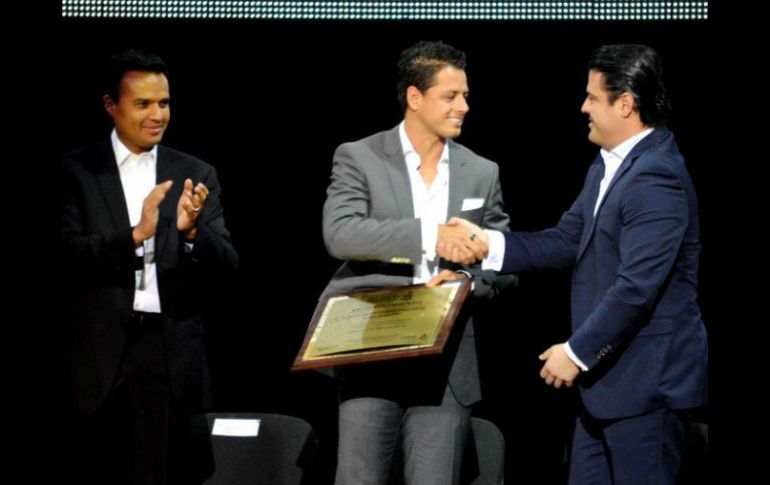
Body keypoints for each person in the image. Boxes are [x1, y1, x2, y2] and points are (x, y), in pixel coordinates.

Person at [438, 44, 708, 484]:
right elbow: (566, 241)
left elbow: (636, 288)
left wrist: (576, 352)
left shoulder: (657, 177)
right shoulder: (607, 166)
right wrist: (484, 243)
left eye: (592, 97)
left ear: (625, 104)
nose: (583, 107)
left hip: (648, 389)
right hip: (604, 389)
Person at [320, 40, 515, 485]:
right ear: (414, 97)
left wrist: (464, 280)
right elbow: (341, 233)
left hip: (446, 365)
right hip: (370, 351)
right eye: (451, 96)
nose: (464, 106)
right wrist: (432, 235)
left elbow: (503, 263)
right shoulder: (360, 156)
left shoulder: (481, 172)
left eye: (465, 95)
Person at [60, 49, 238, 485]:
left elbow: (227, 265)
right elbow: (66, 255)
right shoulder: (76, 171)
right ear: (111, 105)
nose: (157, 115)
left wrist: (192, 232)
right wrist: (135, 236)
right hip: (95, 356)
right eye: (143, 104)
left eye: (164, 103)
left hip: (168, 353)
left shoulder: (195, 173)